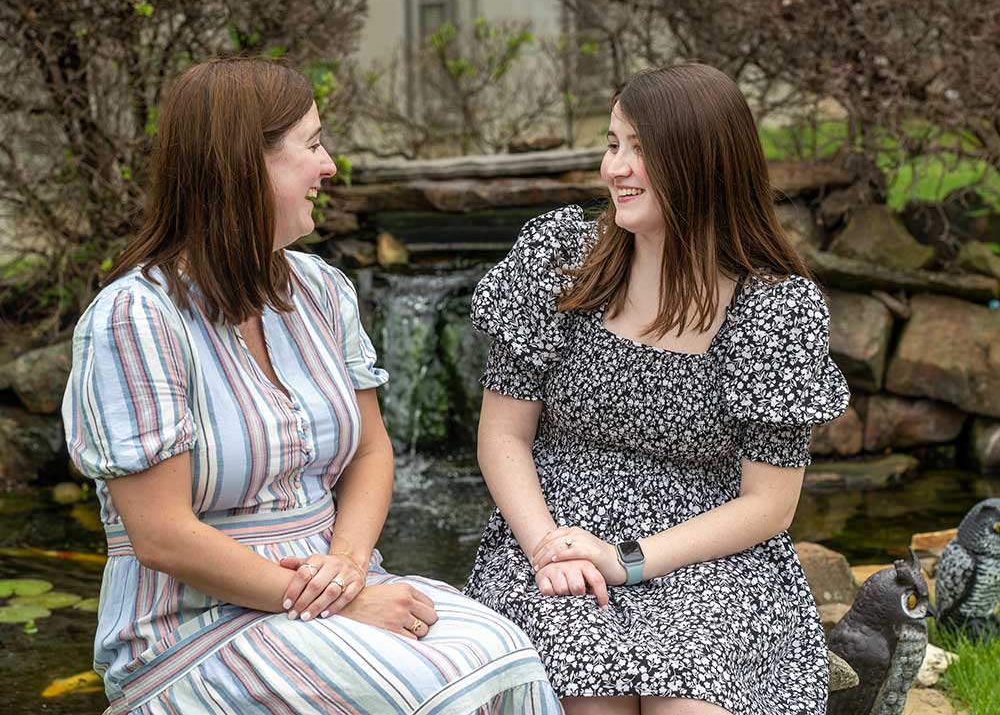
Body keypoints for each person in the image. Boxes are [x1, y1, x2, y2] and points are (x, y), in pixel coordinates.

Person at [62, 57, 561, 715]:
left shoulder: (322, 291)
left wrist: (351, 563)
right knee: (428, 692)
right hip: (193, 628)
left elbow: (371, 452)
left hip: (334, 586)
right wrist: (342, 599)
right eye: (314, 144)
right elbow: (162, 535)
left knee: (507, 658)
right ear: (244, 164)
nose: (330, 166)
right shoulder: (135, 319)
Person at [464, 63, 850, 715]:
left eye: (642, 149)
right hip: (557, 531)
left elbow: (770, 503)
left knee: (693, 705)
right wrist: (547, 547)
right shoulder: (561, 262)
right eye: (615, 144)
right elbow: (503, 434)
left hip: (707, 550)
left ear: (703, 165)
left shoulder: (773, 311)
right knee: (585, 691)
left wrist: (629, 559)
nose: (617, 167)